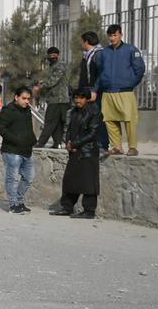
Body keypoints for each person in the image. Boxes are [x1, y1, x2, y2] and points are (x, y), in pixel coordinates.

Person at [51, 87, 104, 219]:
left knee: (88, 183)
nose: (77, 100)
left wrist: (75, 144)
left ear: (87, 99)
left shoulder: (94, 112)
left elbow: (92, 133)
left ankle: (89, 210)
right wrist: (69, 142)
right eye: (75, 98)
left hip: (88, 151)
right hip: (74, 151)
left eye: (80, 98)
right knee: (70, 180)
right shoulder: (73, 111)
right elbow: (68, 129)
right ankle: (67, 207)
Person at [96, 24, 145, 156]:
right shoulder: (104, 53)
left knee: (129, 120)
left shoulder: (131, 50)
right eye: (110, 36)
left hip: (125, 92)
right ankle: (116, 147)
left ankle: (133, 147)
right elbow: (100, 71)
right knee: (110, 120)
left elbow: (140, 69)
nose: (112, 38)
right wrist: (101, 85)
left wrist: (130, 83)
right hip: (108, 92)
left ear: (121, 35)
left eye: (115, 35)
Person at [0, 87, 37, 213]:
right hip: (12, 150)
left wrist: (32, 140)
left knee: (29, 177)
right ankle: (13, 205)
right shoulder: (8, 111)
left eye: (28, 99)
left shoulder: (27, 111)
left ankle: (19, 201)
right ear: (16, 97)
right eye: (23, 98)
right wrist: (16, 139)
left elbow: (29, 128)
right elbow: (0, 129)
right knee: (12, 178)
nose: (26, 101)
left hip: (26, 150)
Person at [77, 31, 110, 152]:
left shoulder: (98, 54)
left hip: (97, 92)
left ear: (86, 41)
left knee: (97, 118)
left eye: (83, 42)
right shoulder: (88, 55)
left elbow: (101, 74)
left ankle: (103, 144)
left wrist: (95, 90)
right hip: (90, 91)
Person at [34, 47, 69, 149]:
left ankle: (41, 143)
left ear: (58, 55)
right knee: (56, 123)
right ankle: (57, 143)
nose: (52, 57)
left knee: (49, 122)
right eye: (50, 56)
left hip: (59, 99)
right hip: (53, 98)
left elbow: (53, 81)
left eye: (54, 55)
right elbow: (48, 79)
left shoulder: (60, 66)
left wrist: (40, 86)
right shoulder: (51, 66)